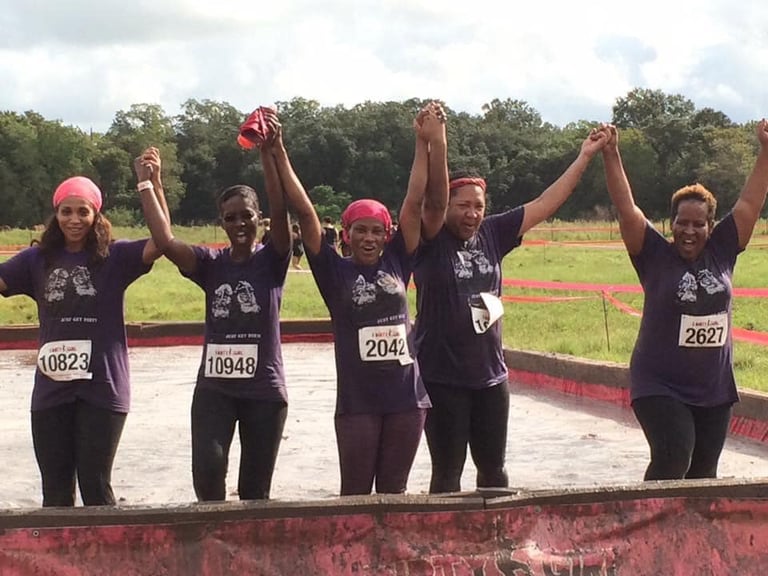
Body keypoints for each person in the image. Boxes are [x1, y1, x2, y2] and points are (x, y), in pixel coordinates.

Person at [413, 128, 609, 494]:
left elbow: (546, 203)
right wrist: (436, 141)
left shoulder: (493, 233)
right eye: (463, 206)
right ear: (447, 208)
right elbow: (433, 200)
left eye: (478, 206)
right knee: (446, 475)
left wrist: (584, 156)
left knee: (495, 471)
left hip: (490, 376)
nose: (472, 214)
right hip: (442, 377)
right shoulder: (430, 237)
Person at [281, 102, 449, 495]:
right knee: (354, 496)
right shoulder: (333, 271)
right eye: (360, 231)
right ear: (346, 234)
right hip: (358, 403)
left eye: (376, 230)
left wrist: (423, 142)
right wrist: (280, 151)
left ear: (386, 234)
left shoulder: (397, 261)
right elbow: (305, 214)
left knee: (394, 494)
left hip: (407, 399)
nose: (369, 238)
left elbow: (414, 201)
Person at [599, 119, 768, 481]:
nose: (689, 231)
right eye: (682, 223)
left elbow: (750, 201)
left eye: (698, 224)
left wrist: (766, 150)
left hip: (714, 387)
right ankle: (648, 528)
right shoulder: (653, 254)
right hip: (659, 384)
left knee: (704, 474)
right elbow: (626, 207)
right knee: (674, 454)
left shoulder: (723, 250)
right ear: (670, 224)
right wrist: (612, 155)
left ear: (710, 227)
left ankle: (690, 537)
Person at [137, 109, 292, 501]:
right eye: (231, 218)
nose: (240, 223)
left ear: (261, 219)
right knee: (207, 477)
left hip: (264, 392)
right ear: (221, 223)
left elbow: (281, 204)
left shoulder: (273, 260)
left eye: (247, 216)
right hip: (215, 391)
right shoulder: (209, 265)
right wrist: (149, 185)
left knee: (255, 491)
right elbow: (165, 241)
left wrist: (267, 155)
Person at [0, 161, 169, 507]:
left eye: (83, 212)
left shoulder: (115, 257)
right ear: (56, 214)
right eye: (66, 211)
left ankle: (105, 561)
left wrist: (149, 186)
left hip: (102, 389)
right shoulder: (36, 260)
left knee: (95, 484)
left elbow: (162, 240)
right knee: (56, 491)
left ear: (96, 215)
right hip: (51, 392)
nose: (74, 219)